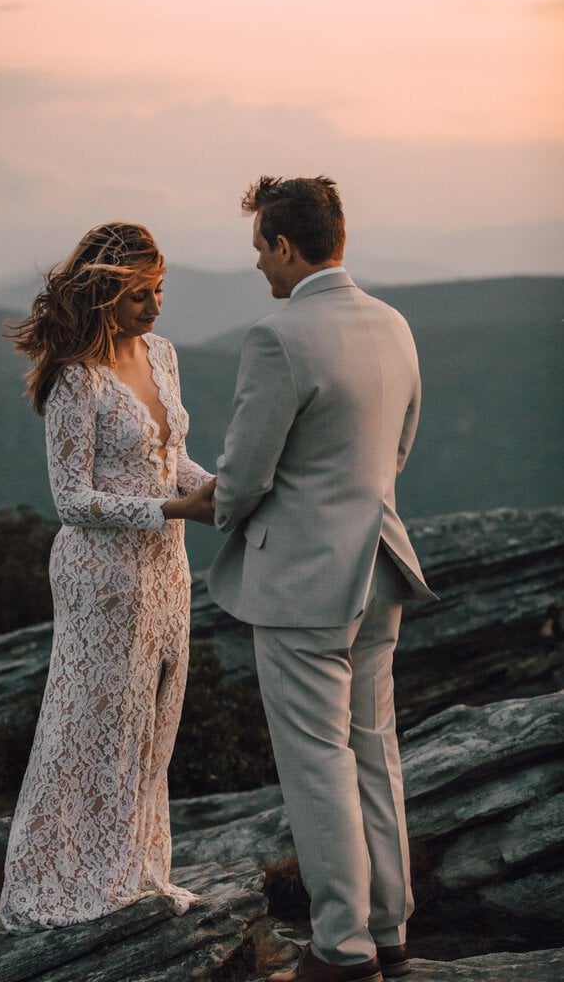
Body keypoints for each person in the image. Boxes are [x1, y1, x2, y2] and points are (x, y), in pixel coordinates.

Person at [208, 177, 437, 982]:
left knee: (317, 764)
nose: (258, 266)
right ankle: (391, 926)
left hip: (304, 583)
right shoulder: (393, 323)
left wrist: (204, 504)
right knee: (375, 749)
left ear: (284, 244)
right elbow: (398, 448)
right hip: (380, 567)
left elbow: (243, 476)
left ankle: (342, 948)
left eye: (260, 249)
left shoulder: (279, 335)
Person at [0, 222, 215, 933]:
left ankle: (132, 866)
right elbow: (71, 499)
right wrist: (171, 508)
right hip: (101, 576)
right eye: (138, 295)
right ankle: (66, 876)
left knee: (153, 718)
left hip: (167, 569)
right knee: (91, 722)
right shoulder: (76, 378)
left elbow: (171, 460)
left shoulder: (163, 355)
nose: (154, 306)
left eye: (159, 291)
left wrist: (220, 490)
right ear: (102, 294)